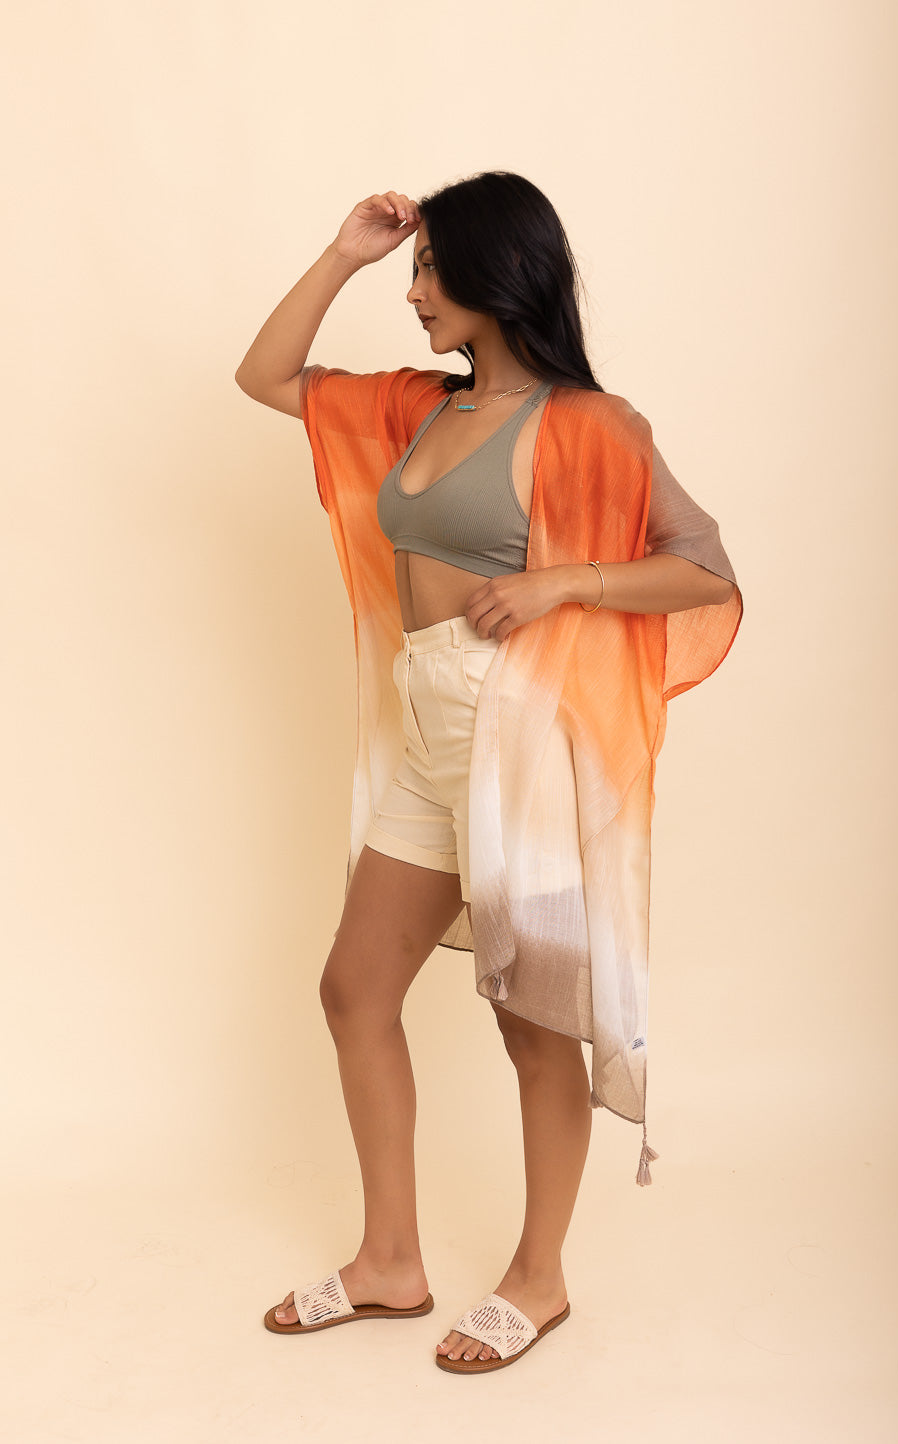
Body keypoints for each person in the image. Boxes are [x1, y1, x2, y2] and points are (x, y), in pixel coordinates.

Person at [235, 174, 742, 1374]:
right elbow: (266, 376)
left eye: (429, 271)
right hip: (426, 725)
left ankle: (539, 1278)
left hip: (518, 738)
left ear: (495, 274)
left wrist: (569, 582)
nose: (413, 294)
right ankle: (389, 1262)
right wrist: (346, 253)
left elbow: (703, 567)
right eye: (413, 272)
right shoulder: (419, 406)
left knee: (533, 1026)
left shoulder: (589, 425)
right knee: (354, 989)